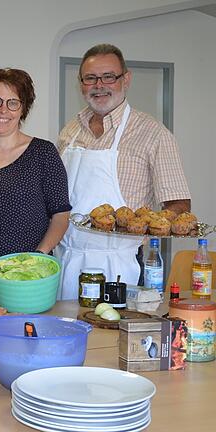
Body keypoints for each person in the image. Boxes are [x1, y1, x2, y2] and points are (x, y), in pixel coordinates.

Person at [55, 44, 190, 299]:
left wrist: (148, 225)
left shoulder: (153, 134)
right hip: (69, 261)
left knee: (114, 336)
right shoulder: (70, 131)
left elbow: (179, 203)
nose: (99, 85)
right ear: (81, 83)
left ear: (125, 79)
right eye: (90, 78)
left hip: (123, 264)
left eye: (109, 76)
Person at [0, 68, 71, 306]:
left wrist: (38, 257)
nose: (3, 110)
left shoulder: (43, 153)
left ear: (23, 108)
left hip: (28, 278)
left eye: (13, 103)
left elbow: (61, 215)